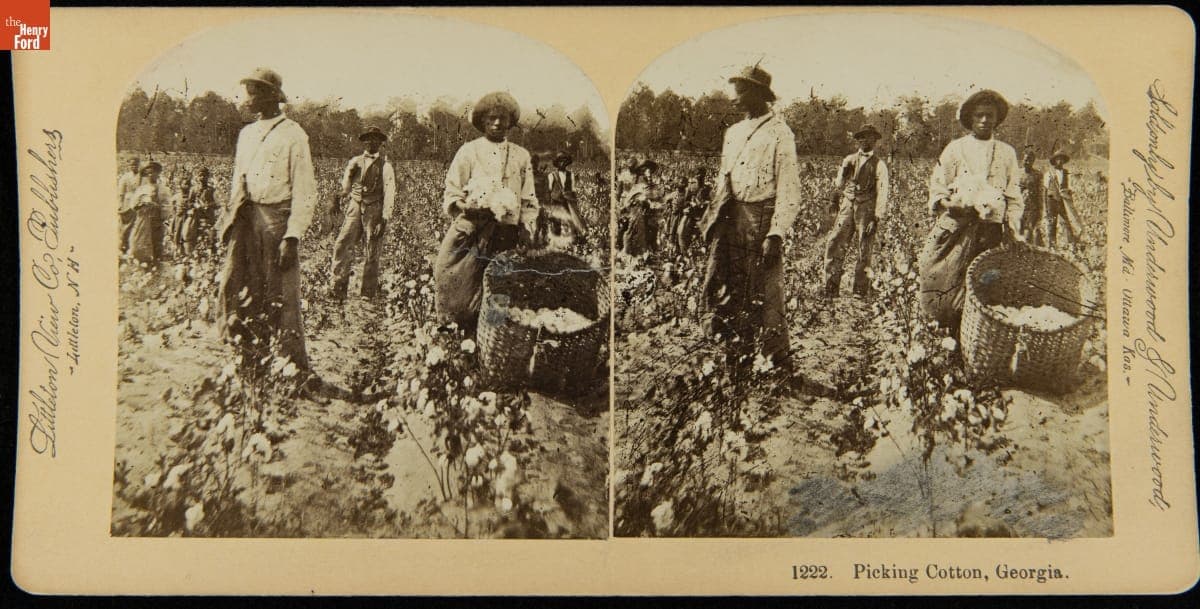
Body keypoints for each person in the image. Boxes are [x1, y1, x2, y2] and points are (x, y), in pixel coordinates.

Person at [217, 67, 319, 382]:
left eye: (254, 91)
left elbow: (305, 191)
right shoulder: (246, 134)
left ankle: (292, 366)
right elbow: (238, 181)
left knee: (282, 293)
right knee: (241, 285)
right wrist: (232, 222)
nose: (248, 98)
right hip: (247, 218)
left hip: (277, 221)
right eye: (248, 91)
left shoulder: (294, 135)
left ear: (271, 96)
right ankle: (249, 356)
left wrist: (292, 236)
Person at [699, 64, 802, 367]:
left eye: (741, 92)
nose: (735, 99)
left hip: (762, 217)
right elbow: (723, 178)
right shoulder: (733, 133)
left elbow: (789, 188)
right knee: (727, 282)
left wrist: (776, 233)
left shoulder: (781, 133)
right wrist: (715, 216)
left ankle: (775, 356)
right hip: (732, 216)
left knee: (766, 288)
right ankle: (736, 347)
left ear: (759, 95)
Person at [918, 89, 1023, 330]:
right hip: (957, 226)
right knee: (937, 272)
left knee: (983, 285)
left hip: (990, 230)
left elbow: (1014, 197)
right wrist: (948, 204)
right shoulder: (956, 149)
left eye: (990, 115)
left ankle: (976, 336)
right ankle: (943, 329)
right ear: (970, 119)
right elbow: (938, 186)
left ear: (997, 119)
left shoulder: (1007, 153)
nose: (985, 120)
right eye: (979, 116)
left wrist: (1014, 228)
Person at [434, 91, 538, 330]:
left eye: (503, 118)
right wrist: (464, 205)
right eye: (492, 118)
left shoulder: (521, 156)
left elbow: (528, 198)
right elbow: (452, 190)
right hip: (471, 227)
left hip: (505, 231)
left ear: (511, 122)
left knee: (499, 285)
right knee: (451, 272)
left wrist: (526, 228)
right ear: (483, 121)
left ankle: (492, 335)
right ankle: (456, 329)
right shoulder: (469, 152)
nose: (498, 123)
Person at [822, 124, 890, 298]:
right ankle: (831, 285)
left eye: (867, 137)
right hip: (848, 204)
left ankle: (860, 288)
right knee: (835, 242)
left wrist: (876, 218)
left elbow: (882, 192)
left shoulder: (879, 165)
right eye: (860, 137)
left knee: (864, 247)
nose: (863, 140)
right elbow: (839, 183)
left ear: (874, 140)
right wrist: (835, 199)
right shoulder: (849, 159)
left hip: (866, 208)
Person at [329, 126, 397, 300]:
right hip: (355, 205)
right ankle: (338, 286)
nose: (371, 142)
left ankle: (367, 292)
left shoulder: (386, 166)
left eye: (375, 139)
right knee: (342, 243)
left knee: (372, 249)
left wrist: (384, 219)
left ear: (380, 143)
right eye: (368, 138)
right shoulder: (355, 162)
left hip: (374, 208)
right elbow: (346, 186)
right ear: (364, 141)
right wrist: (338, 197)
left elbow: (389, 193)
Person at [537, 151, 587, 249]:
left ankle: (572, 243)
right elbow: (549, 190)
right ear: (557, 162)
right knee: (556, 223)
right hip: (556, 201)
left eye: (564, 160)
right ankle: (556, 244)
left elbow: (573, 189)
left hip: (568, 201)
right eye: (560, 161)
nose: (562, 163)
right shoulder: (552, 175)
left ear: (567, 162)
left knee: (572, 221)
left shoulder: (571, 175)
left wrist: (574, 202)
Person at [127, 161, 171, 265]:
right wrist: (142, 204)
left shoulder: (163, 189)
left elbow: (167, 205)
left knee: (156, 241)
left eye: (153, 173)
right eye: (148, 173)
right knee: (139, 241)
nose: (151, 175)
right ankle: (142, 261)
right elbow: (133, 205)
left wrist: (159, 209)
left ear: (158, 173)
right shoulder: (142, 189)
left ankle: (156, 262)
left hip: (156, 219)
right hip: (143, 219)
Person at [1042, 150, 1079, 249]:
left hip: (1063, 201)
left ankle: (1072, 244)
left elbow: (1070, 187)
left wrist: (1069, 192)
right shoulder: (1049, 173)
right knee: (1052, 223)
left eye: (1062, 159)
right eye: (1058, 159)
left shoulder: (1066, 173)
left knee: (1068, 222)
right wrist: (1046, 206)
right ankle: (1052, 245)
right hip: (1052, 201)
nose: (1060, 161)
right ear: (1055, 161)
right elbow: (1045, 190)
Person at [180, 166, 217, 256]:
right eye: (200, 175)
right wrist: (195, 205)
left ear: (208, 177)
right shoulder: (194, 189)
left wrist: (209, 205)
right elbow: (189, 202)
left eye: (205, 176)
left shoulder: (211, 190)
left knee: (210, 234)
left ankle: (211, 253)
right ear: (197, 176)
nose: (202, 178)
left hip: (208, 216)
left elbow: (216, 203)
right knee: (189, 232)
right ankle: (191, 252)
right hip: (196, 216)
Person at [1017, 146, 1045, 246]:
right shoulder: (1017, 173)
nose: (1026, 162)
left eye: (1029, 160)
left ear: (1033, 161)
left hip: (1032, 209)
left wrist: (1040, 211)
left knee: (1029, 233)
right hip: (1018, 207)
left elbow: (1040, 194)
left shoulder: (1037, 175)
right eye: (1025, 160)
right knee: (1017, 232)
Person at [118, 157, 141, 253]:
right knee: (126, 225)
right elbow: (121, 192)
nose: (133, 167)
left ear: (138, 165)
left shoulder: (142, 177)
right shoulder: (125, 177)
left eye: (135, 165)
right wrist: (120, 204)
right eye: (131, 165)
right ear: (129, 166)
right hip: (127, 202)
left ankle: (135, 246)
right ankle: (124, 244)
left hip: (138, 203)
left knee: (138, 225)